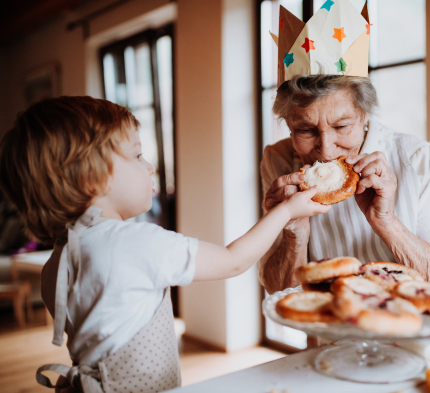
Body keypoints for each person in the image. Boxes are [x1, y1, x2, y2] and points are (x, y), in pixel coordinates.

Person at [0, 96, 330, 392]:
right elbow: (233, 260)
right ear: (91, 175)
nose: (150, 165)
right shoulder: (131, 244)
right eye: (137, 154)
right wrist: (287, 210)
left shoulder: (57, 261)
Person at [259, 74, 430, 317]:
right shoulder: (279, 162)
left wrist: (387, 222)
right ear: (288, 125)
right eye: (306, 130)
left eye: (341, 126)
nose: (326, 149)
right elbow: (282, 295)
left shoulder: (413, 158)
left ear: (365, 115)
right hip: (339, 337)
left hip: (424, 329)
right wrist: (294, 234)